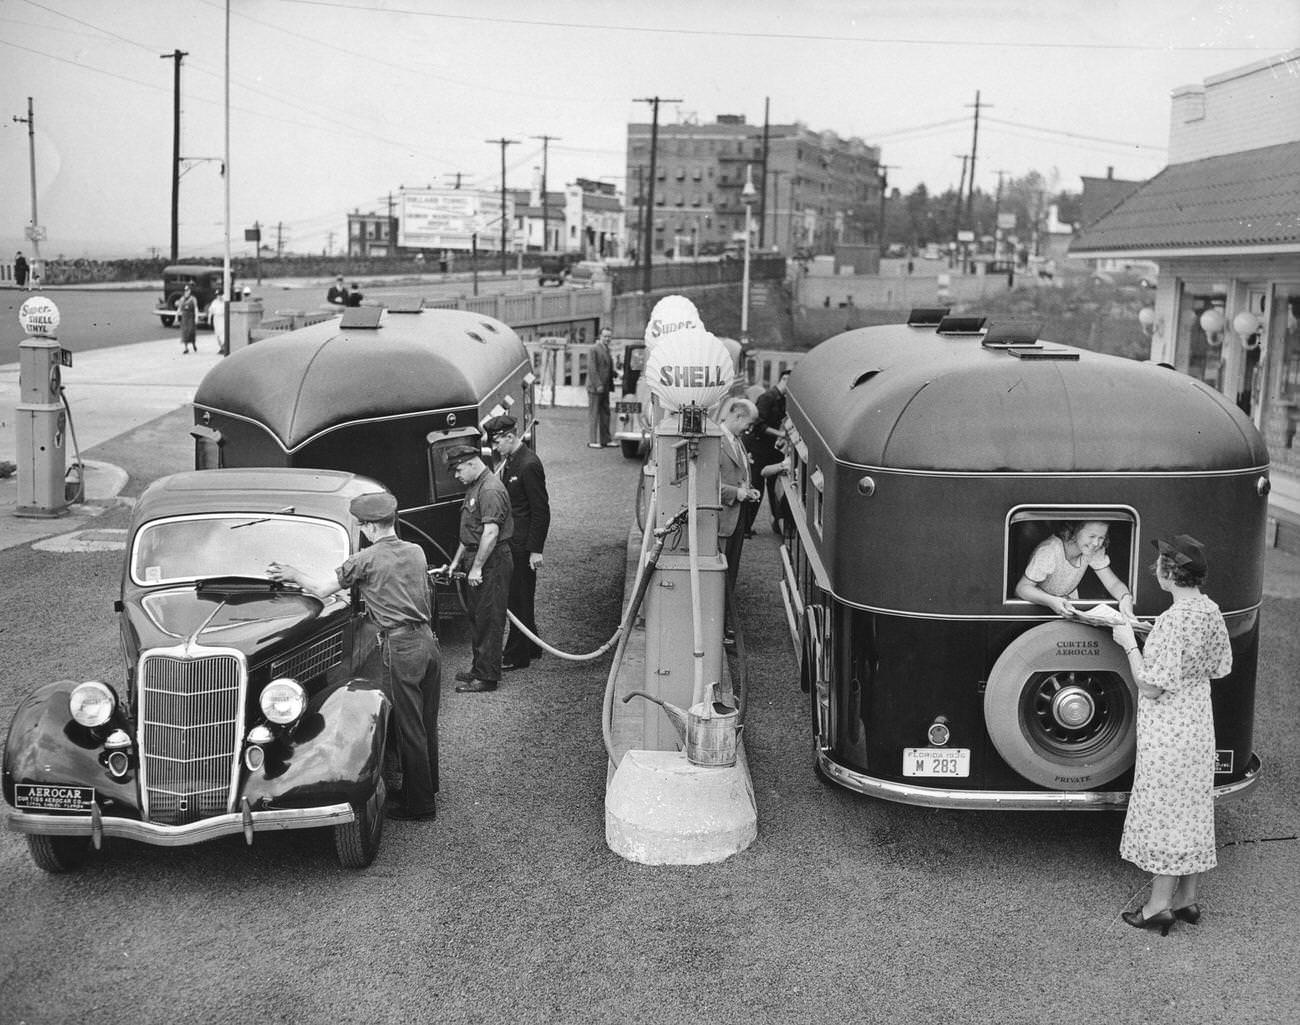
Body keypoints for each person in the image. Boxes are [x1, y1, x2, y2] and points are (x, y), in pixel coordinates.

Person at [266, 491, 440, 822]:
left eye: (362, 525)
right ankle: (426, 788)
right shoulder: (416, 551)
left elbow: (319, 588)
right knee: (426, 721)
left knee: (407, 726)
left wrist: (292, 572)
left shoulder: (364, 560)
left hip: (400, 647)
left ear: (370, 526)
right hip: (427, 642)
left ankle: (420, 806)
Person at [1109, 534, 1231, 934]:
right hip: (1198, 720)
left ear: (1168, 572)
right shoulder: (1209, 610)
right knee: (1193, 805)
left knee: (1165, 810)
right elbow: (1218, 666)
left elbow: (1152, 686)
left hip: (1168, 727)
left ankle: (1157, 906)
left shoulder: (1172, 621)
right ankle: (1187, 900)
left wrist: (1129, 643)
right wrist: (1156, 637)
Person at [440, 444, 513, 693]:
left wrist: (477, 568)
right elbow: (469, 533)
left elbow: (491, 533)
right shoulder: (475, 486)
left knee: (489, 618)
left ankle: (487, 677)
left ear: (472, 463)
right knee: (477, 617)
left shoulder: (490, 489)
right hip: (478, 557)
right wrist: (455, 563)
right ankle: (480, 667)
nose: (456, 476)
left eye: (459, 470)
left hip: (491, 561)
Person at [485, 415, 550, 672]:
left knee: (518, 599)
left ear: (510, 437)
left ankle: (517, 655)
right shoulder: (513, 461)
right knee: (522, 597)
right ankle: (531, 646)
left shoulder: (528, 464)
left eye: (497, 442)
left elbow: (540, 510)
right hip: (515, 540)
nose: (495, 447)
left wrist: (536, 549)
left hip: (522, 545)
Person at [1015, 520, 1135, 619]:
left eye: (1101, 538)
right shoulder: (1049, 551)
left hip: (1066, 608)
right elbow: (1022, 589)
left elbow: (1113, 583)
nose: (1095, 543)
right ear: (1074, 531)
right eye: (1092, 536)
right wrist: (1051, 601)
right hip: (1039, 609)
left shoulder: (1093, 551)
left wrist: (1125, 598)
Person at [716, 397, 761, 633]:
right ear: (737, 417)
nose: (749, 429)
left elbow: (739, 473)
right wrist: (738, 493)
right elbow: (710, 485)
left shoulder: (736, 441)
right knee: (720, 578)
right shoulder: (716, 442)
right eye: (748, 424)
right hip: (723, 521)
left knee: (729, 576)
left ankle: (721, 626)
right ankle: (717, 628)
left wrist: (747, 489)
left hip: (735, 519)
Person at [751, 368, 791, 532]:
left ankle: (777, 521)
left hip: (771, 449)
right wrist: (781, 434)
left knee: (773, 486)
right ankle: (747, 526)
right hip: (759, 448)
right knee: (757, 486)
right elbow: (758, 424)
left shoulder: (782, 399)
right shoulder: (767, 398)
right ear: (784, 380)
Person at [587, 327, 616, 449]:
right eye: (605, 336)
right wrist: (598, 384)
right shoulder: (593, 349)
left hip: (605, 387)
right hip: (596, 387)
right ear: (599, 336)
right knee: (594, 413)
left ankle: (606, 439)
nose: (607, 338)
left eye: (609, 336)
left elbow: (607, 368)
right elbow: (592, 368)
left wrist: (614, 374)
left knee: (605, 413)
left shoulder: (607, 349)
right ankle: (592, 440)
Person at [177, 284, 199, 354]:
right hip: (184, 317)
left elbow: (196, 308)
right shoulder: (182, 299)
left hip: (191, 317)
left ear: (190, 291)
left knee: (191, 331)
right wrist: (176, 316)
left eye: (188, 290)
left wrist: (196, 317)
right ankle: (186, 348)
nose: (186, 292)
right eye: (185, 290)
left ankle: (193, 344)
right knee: (184, 332)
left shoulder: (193, 299)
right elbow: (179, 308)